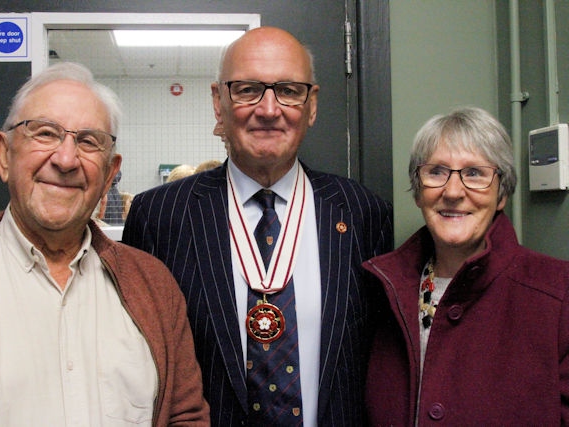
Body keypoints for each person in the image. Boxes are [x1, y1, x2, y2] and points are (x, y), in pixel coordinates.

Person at [123, 27, 393, 426]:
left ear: (312, 104)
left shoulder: (361, 214)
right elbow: (139, 362)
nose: (268, 109)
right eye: (248, 89)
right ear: (219, 102)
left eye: (288, 90)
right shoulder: (160, 217)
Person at [0, 62, 209, 426]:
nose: (65, 159)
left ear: (110, 173)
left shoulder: (155, 287)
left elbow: (184, 416)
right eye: (44, 133)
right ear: (4, 155)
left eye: (89, 142)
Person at [363, 106, 569, 425]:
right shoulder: (383, 291)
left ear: (501, 194)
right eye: (436, 172)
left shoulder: (558, 294)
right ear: (418, 191)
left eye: (474, 173)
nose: (453, 191)